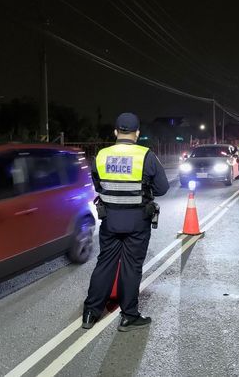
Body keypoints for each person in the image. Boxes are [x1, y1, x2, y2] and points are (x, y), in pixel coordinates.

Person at [83, 112, 169, 332]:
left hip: (110, 220)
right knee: (131, 267)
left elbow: (98, 186)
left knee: (105, 264)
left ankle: (90, 313)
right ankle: (129, 316)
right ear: (137, 133)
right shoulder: (146, 155)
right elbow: (162, 188)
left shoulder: (101, 155)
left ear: (115, 132)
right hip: (138, 222)